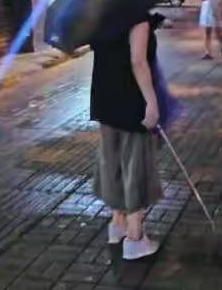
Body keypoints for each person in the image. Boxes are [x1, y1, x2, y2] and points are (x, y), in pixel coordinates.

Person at [90, 13, 164, 261]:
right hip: (131, 101)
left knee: (112, 162)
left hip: (104, 99)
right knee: (135, 165)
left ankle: (117, 224)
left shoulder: (102, 12)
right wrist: (151, 102)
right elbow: (138, 62)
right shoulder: (137, 16)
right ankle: (135, 238)